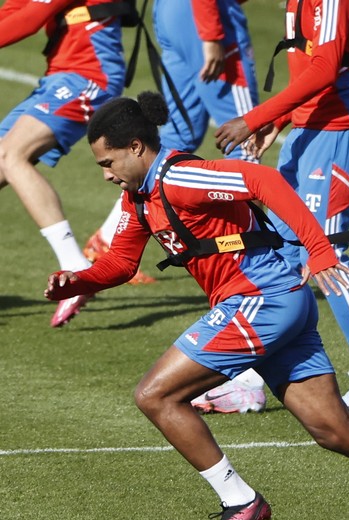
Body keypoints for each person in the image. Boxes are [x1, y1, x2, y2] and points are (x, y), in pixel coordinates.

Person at [44, 92, 349, 520]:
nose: (106, 174)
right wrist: (77, 282)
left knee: (155, 395)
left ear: (136, 147)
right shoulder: (141, 198)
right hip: (279, 305)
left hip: (259, 301)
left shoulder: (180, 178)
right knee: (335, 429)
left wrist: (317, 250)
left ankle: (240, 500)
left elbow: (261, 178)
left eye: (107, 162)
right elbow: (119, 262)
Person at [80, 0, 270, 412]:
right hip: (202, 16)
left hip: (167, 13)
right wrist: (213, 32)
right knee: (245, 146)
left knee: (172, 140)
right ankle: (250, 377)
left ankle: (108, 236)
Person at [213, 0, 349, 413]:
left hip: (342, 130)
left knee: (326, 253)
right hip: (308, 129)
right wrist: (277, 123)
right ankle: (249, 378)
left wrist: (255, 117)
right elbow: (307, 67)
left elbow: (325, 69)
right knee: (276, 250)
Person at [0, 0, 126, 327]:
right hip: (59, 78)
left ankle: (76, 266)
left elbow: (30, 19)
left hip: (87, 78)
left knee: (11, 156)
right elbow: (13, 11)